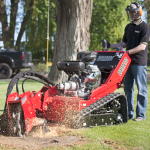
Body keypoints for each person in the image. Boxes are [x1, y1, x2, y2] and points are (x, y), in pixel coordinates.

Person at [102, 1, 150, 121]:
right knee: (128, 88)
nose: (131, 14)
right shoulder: (128, 27)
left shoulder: (144, 27)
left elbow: (142, 46)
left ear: (139, 12)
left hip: (139, 62)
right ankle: (129, 114)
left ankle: (141, 115)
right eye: (130, 12)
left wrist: (127, 52)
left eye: (133, 12)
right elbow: (124, 43)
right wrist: (110, 45)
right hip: (127, 62)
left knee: (141, 89)